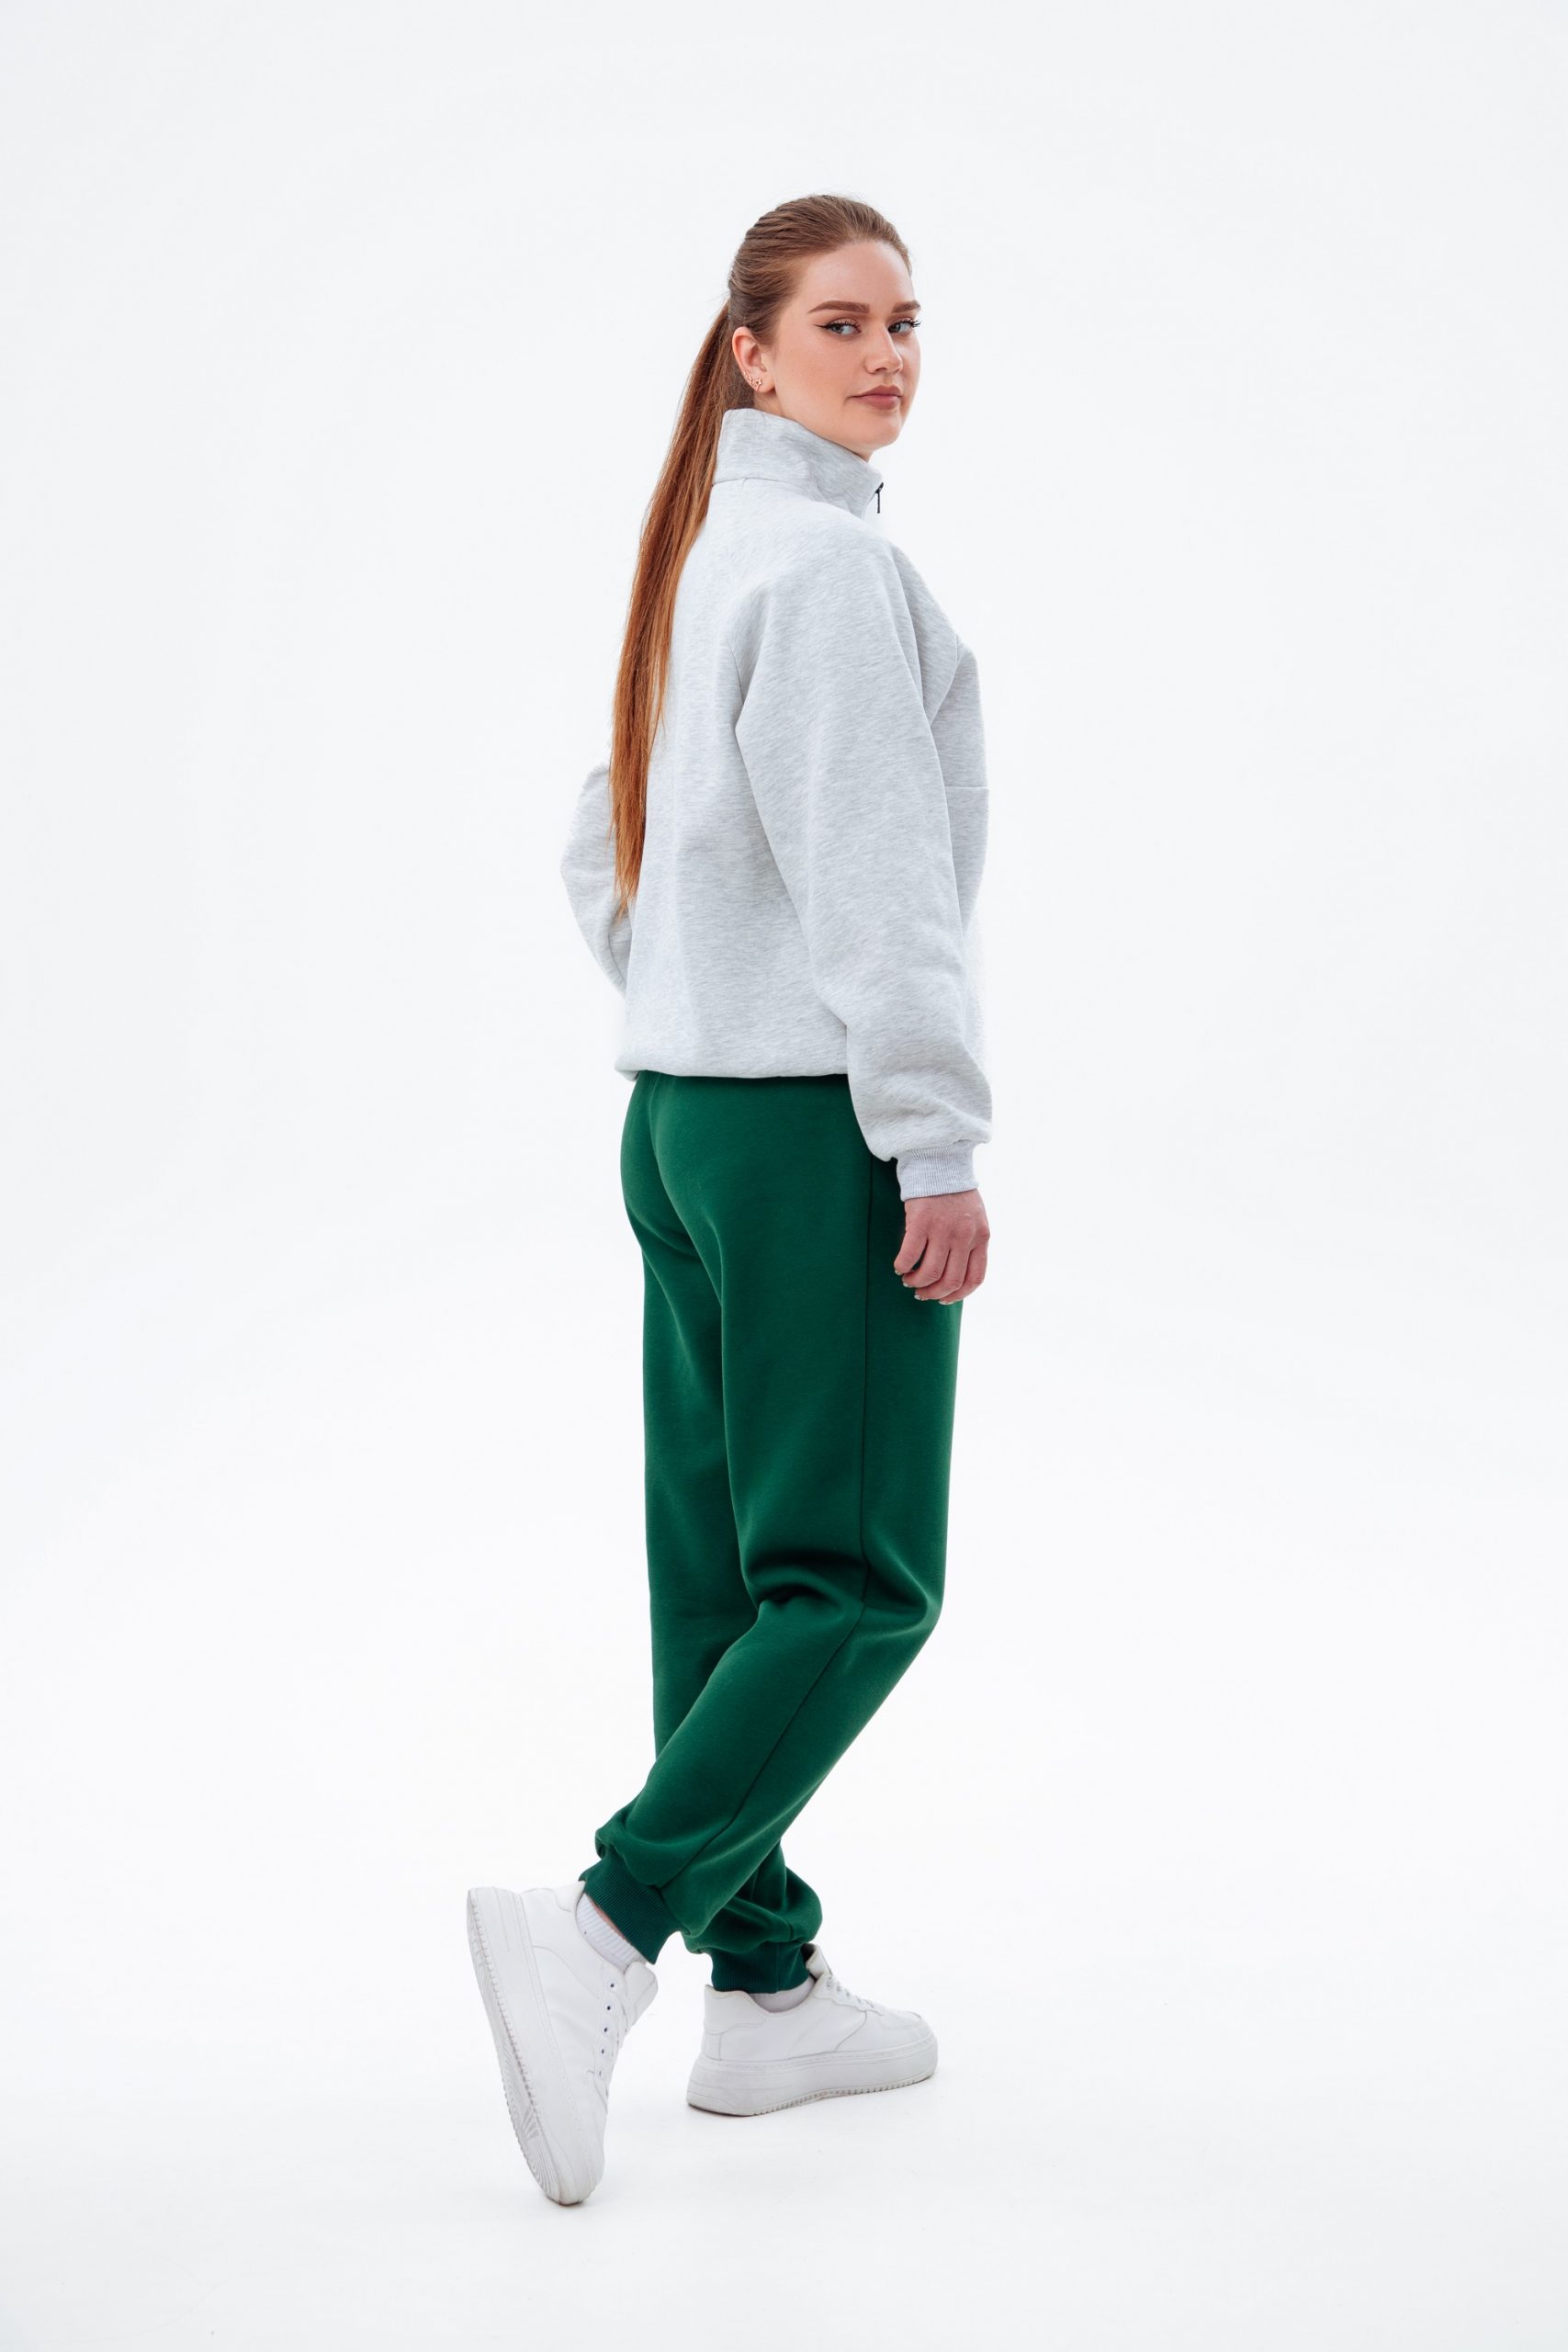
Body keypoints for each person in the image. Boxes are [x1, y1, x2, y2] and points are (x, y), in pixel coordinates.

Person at [467, 192, 993, 2207]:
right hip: (797, 1133)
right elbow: (879, 879)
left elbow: (600, 836)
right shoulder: (831, 574)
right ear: (751, 353)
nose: (888, 355)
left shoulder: (708, 558)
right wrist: (927, 1134)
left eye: (906, 322)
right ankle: (606, 1927)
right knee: (855, 1580)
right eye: (841, 323)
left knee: (724, 1583)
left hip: (682, 1118)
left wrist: (687, 994)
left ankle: (763, 1990)